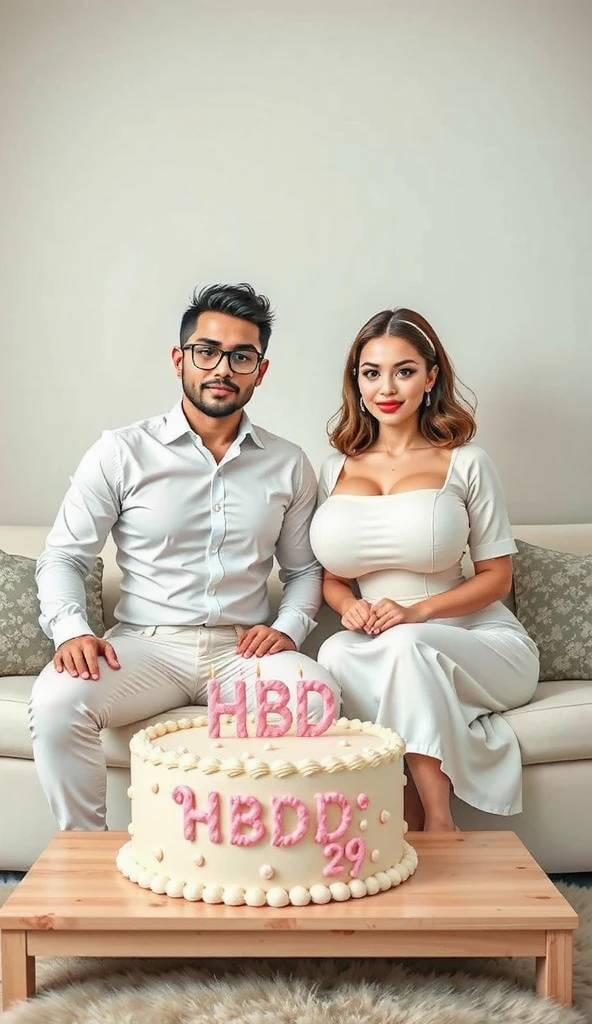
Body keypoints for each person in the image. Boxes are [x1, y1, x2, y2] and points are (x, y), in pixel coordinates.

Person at [30, 282, 340, 831]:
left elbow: (303, 571)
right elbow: (63, 558)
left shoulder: (289, 463)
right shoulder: (121, 451)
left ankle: (236, 846)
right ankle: (86, 854)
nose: (223, 367)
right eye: (208, 351)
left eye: (242, 356)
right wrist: (71, 630)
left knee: (318, 697)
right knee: (56, 702)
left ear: (259, 371)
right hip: (144, 649)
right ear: (181, 359)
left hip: (242, 651)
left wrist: (289, 628)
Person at [309, 306, 539, 831]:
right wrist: (350, 608)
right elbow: (333, 579)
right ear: (357, 382)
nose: (386, 387)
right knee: (334, 651)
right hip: (381, 638)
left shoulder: (467, 461)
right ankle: (405, 812)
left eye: (404, 370)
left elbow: (496, 576)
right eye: (372, 372)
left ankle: (436, 823)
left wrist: (417, 612)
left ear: (431, 377)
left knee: (405, 647)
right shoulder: (333, 468)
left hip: (478, 641)